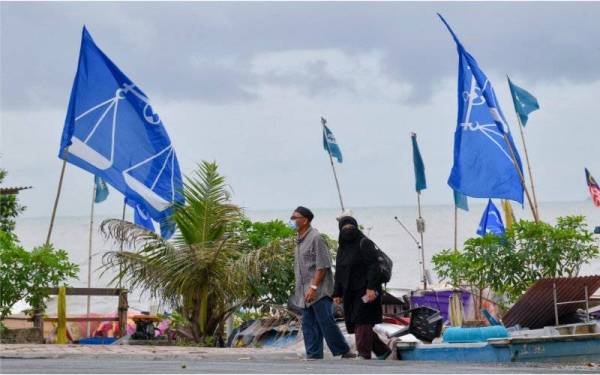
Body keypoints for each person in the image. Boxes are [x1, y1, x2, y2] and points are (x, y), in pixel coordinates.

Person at [289, 206, 356, 360]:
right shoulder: (299, 240)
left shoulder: (316, 238)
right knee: (308, 324)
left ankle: (344, 351)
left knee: (326, 322)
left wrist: (313, 287)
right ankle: (314, 354)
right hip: (303, 292)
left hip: (317, 291)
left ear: (305, 220)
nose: (292, 221)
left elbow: (323, 265)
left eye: (295, 218)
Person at [332, 215, 391, 360]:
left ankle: (363, 355)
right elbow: (339, 271)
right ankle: (383, 352)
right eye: (344, 228)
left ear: (356, 228)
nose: (348, 230)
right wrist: (337, 293)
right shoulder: (342, 248)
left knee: (362, 321)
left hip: (366, 290)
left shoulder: (364, 243)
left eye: (351, 227)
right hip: (349, 292)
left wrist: (371, 287)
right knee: (356, 321)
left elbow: (374, 266)